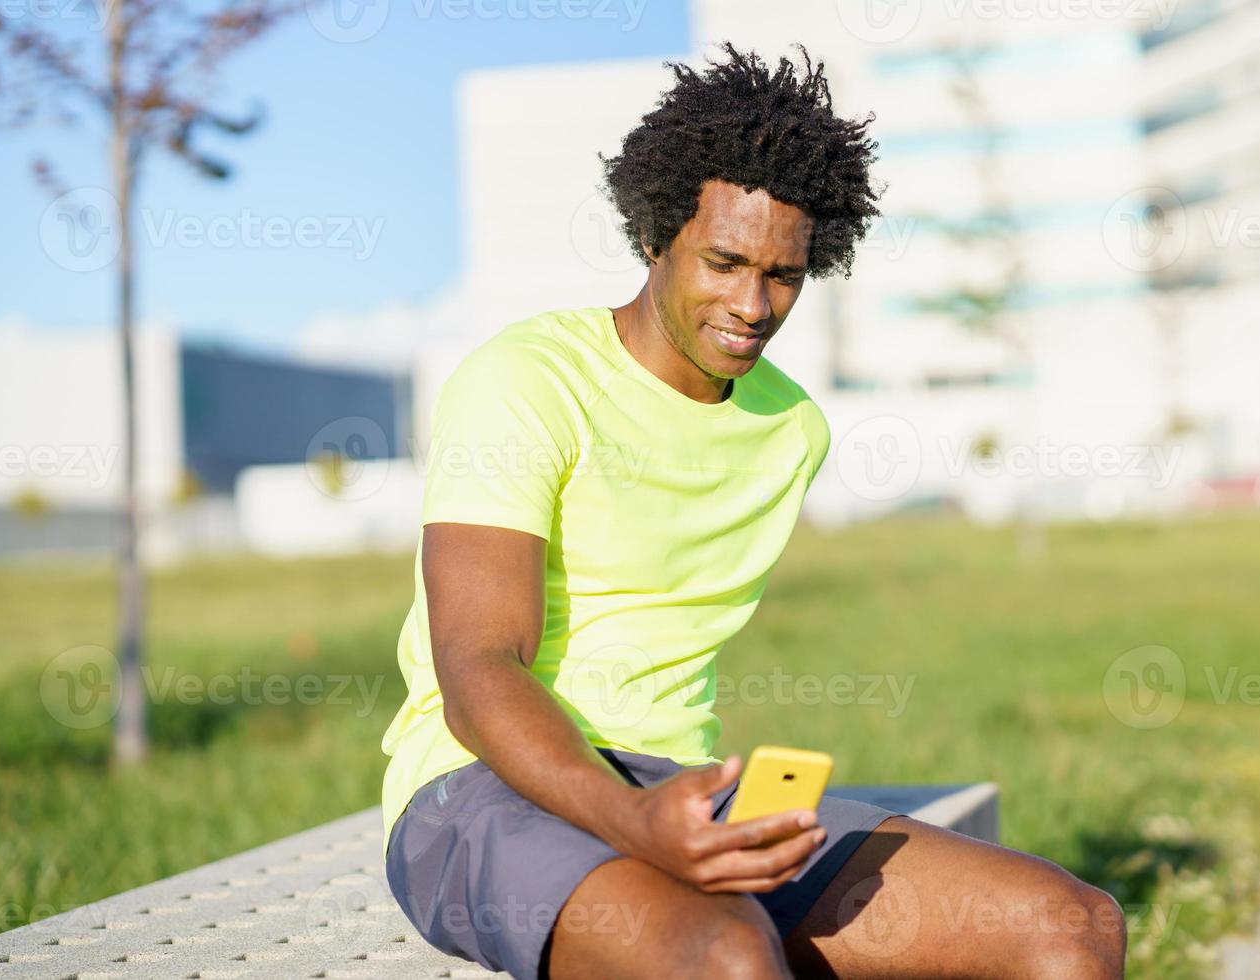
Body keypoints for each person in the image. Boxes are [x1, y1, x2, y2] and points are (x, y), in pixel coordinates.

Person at [380, 42, 1126, 980]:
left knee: (1074, 927)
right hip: (478, 789)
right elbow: (478, 667)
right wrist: (634, 823)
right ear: (656, 236)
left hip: (684, 789)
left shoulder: (792, 431)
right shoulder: (525, 381)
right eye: (723, 261)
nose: (752, 303)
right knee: (728, 957)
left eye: (783, 274)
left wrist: (672, 811)